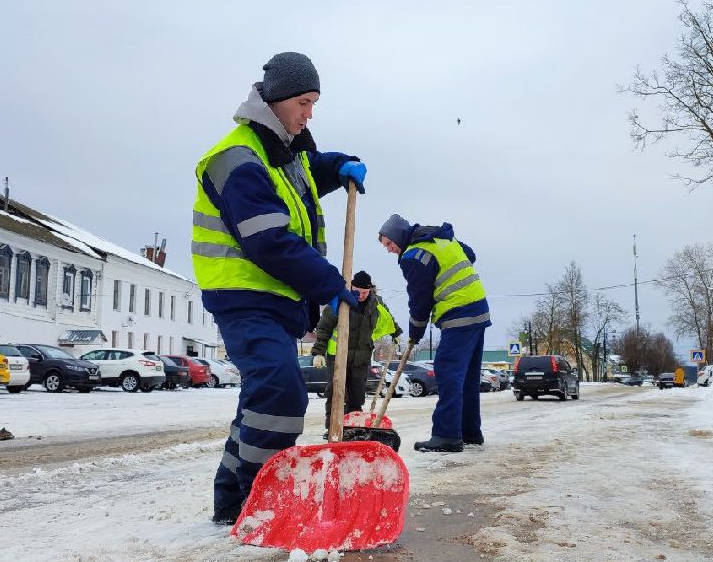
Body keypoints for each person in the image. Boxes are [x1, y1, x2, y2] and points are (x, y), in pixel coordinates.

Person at [192, 52, 368, 525]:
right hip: (244, 299)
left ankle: (232, 502)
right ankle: (248, 498)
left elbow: (305, 170)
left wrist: (339, 167)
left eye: (314, 103)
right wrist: (329, 283)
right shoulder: (237, 158)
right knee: (279, 395)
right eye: (305, 102)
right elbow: (268, 239)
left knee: (265, 398)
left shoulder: (280, 151)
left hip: (272, 302)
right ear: (279, 100)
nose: (310, 113)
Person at [378, 214, 490, 452]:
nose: (389, 250)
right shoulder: (438, 237)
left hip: (458, 312)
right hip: (478, 309)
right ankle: (470, 432)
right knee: (467, 377)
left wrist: (414, 333)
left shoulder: (414, 256)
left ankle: (447, 435)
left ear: (399, 235)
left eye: (389, 243)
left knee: (448, 372)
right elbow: (470, 254)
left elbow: (419, 301)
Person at [310, 270, 401, 436]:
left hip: (361, 357)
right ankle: (332, 428)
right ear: (351, 286)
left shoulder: (376, 304)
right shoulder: (341, 300)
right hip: (337, 357)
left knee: (357, 394)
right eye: (358, 291)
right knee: (336, 392)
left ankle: (352, 427)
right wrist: (318, 352)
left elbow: (388, 319)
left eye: (365, 292)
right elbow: (324, 328)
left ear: (370, 290)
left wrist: (397, 333)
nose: (361, 295)